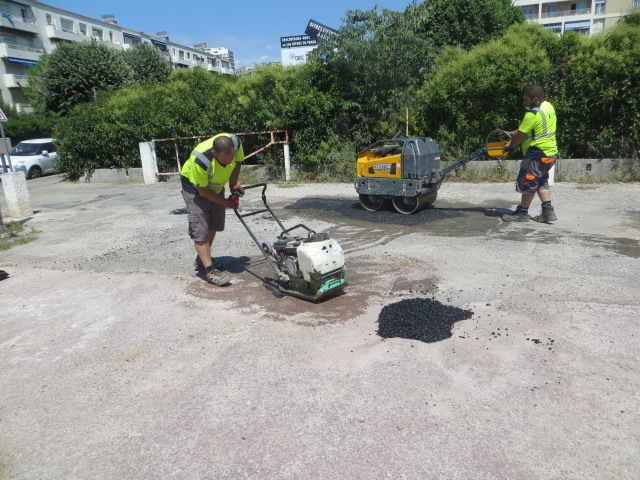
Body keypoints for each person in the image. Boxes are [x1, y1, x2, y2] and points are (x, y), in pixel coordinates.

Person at [180, 133, 245, 285]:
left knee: (214, 224)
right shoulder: (201, 160)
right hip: (195, 189)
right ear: (214, 153)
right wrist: (226, 202)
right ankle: (209, 270)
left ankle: (202, 259)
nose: (229, 162)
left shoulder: (236, 143)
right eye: (225, 160)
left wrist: (233, 185)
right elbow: (203, 190)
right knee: (200, 228)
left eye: (231, 158)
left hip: (215, 187)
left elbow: (238, 162)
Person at [502, 84, 558, 223]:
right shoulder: (548, 107)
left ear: (535, 99)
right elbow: (530, 128)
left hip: (536, 155)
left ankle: (522, 213)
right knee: (541, 181)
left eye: (526, 100)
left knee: (528, 182)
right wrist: (511, 133)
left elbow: (520, 137)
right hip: (550, 154)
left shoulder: (532, 114)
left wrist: (510, 146)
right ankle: (548, 212)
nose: (524, 103)